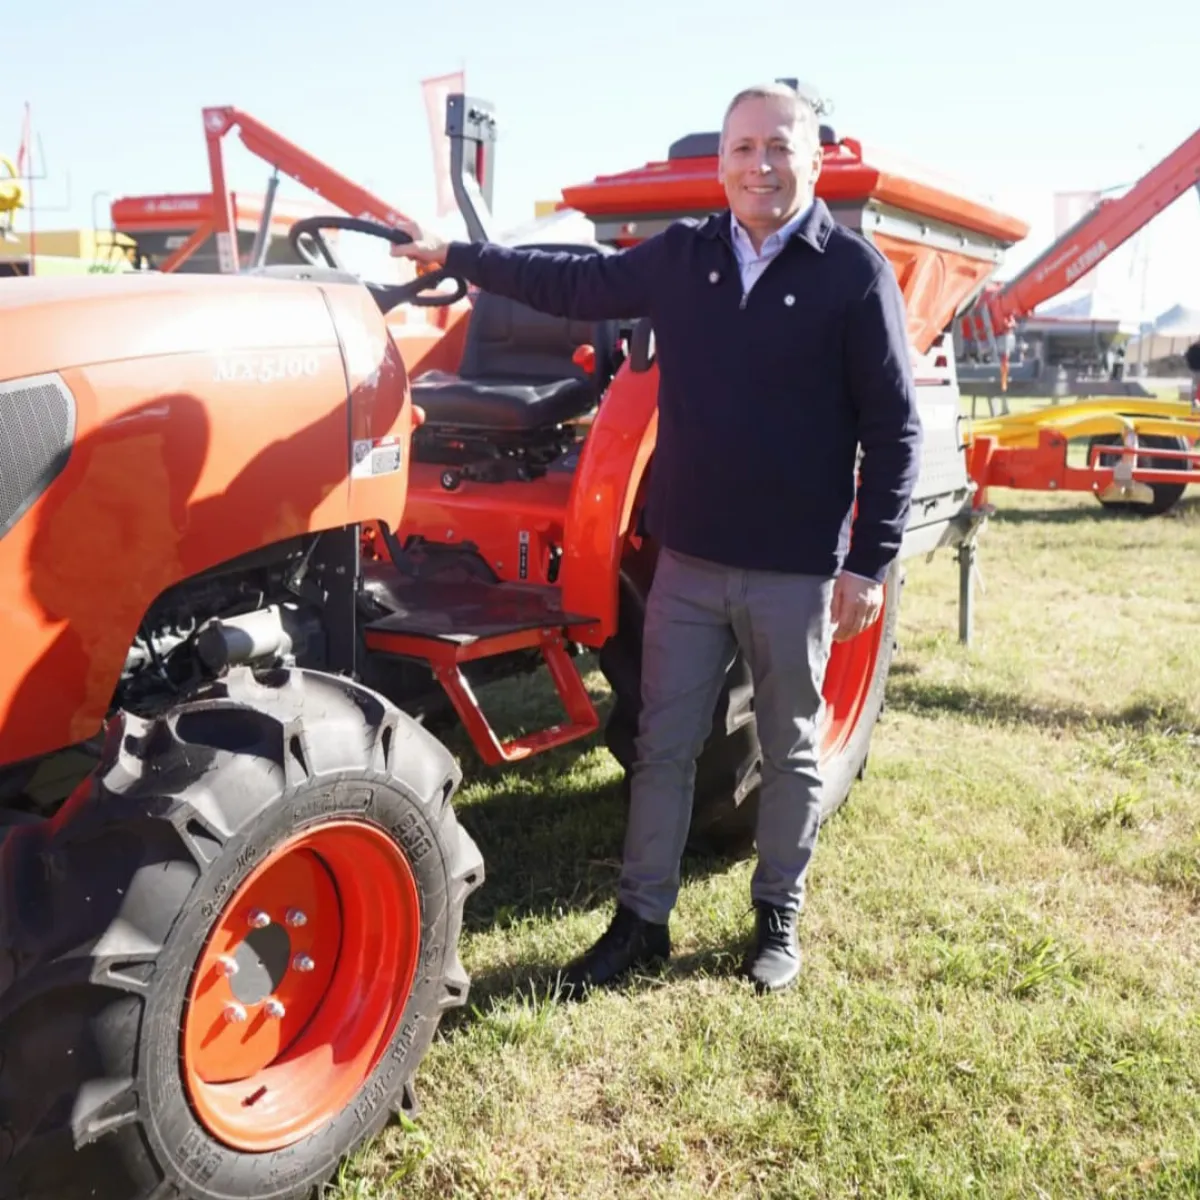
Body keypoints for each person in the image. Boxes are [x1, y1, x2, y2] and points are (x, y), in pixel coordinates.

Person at [393, 82, 923, 994]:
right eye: (743, 148)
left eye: (778, 147)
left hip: (793, 569)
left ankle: (776, 918)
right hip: (688, 562)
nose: (760, 165)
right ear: (720, 163)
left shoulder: (853, 274)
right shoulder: (685, 257)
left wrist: (870, 560)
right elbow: (569, 282)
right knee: (662, 747)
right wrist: (462, 256)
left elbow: (895, 429)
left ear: (813, 159)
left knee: (791, 748)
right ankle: (641, 923)